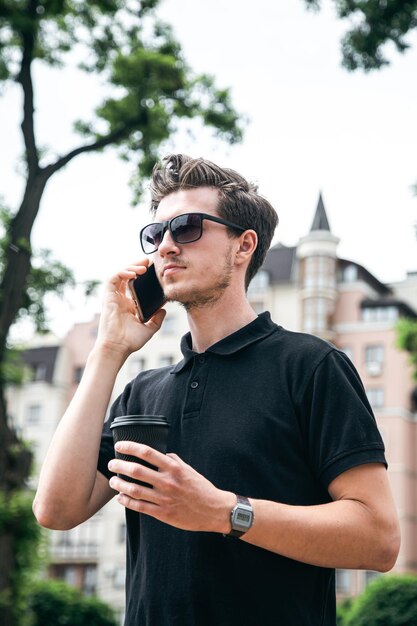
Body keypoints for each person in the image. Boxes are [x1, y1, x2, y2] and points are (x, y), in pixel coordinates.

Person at [33, 154, 400, 626]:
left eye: (186, 228)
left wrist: (223, 511)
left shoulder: (312, 366)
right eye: (156, 233)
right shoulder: (143, 392)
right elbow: (56, 510)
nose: (165, 246)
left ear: (243, 245)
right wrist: (108, 350)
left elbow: (379, 538)